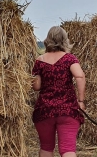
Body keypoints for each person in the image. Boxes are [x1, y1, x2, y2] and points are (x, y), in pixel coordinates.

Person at [31, 26, 86, 157]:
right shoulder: (69, 59)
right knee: (67, 149)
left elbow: (36, 86)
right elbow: (80, 76)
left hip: (45, 110)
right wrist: (81, 100)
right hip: (67, 110)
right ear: (64, 40)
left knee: (46, 147)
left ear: (48, 40)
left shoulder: (40, 61)